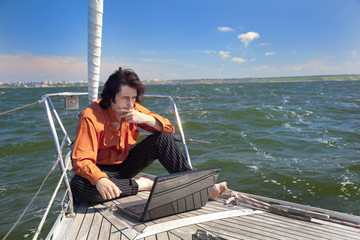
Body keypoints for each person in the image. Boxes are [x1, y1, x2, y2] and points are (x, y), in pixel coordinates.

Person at [70, 67, 227, 202]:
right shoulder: (90, 116)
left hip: (124, 166)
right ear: (110, 96)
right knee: (79, 186)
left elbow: (169, 129)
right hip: (101, 168)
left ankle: (197, 186)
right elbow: (81, 160)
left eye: (133, 98)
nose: (130, 104)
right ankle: (143, 185)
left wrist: (145, 119)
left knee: (162, 138)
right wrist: (100, 179)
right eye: (125, 98)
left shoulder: (134, 109)